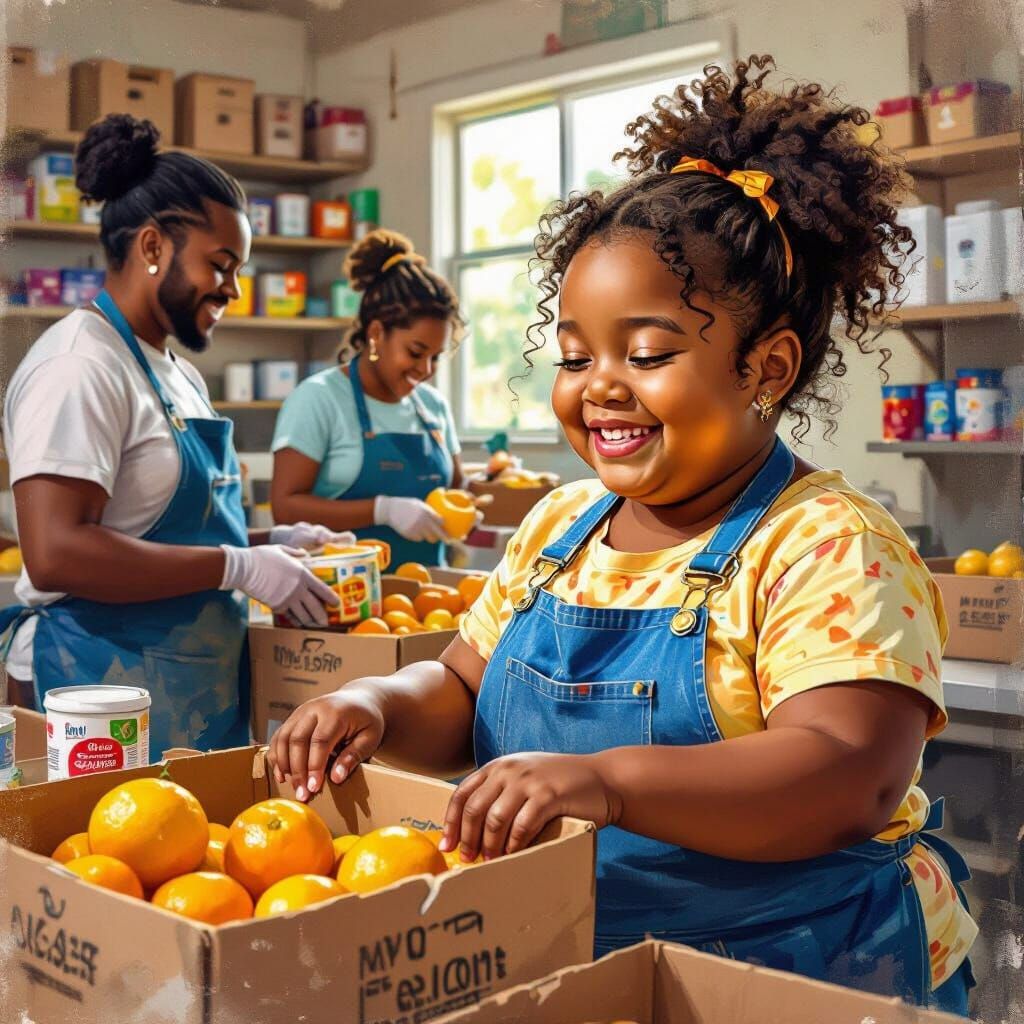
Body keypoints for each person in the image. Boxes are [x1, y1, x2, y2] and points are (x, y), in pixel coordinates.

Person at [267, 57, 976, 1012]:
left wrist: (606, 780)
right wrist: (381, 701)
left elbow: (849, 771)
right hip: (579, 956)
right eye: (572, 355)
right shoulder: (562, 526)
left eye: (645, 353)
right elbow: (465, 681)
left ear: (766, 366)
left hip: (798, 974)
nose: (599, 384)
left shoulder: (825, 545)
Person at [0, 114, 349, 759]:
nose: (234, 289)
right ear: (153, 246)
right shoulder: (79, 366)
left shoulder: (176, 371)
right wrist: (239, 565)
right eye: (220, 265)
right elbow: (54, 551)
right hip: (99, 696)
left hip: (192, 690)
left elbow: (174, 533)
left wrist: (275, 544)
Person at [271, 230, 469, 569]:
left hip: (428, 601)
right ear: (377, 334)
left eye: (436, 357)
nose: (425, 370)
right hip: (342, 596)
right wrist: (383, 509)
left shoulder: (432, 407)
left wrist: (492, 492)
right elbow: (286, 508)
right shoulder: (318, 400)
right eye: (416, 352)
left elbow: (457, 489)